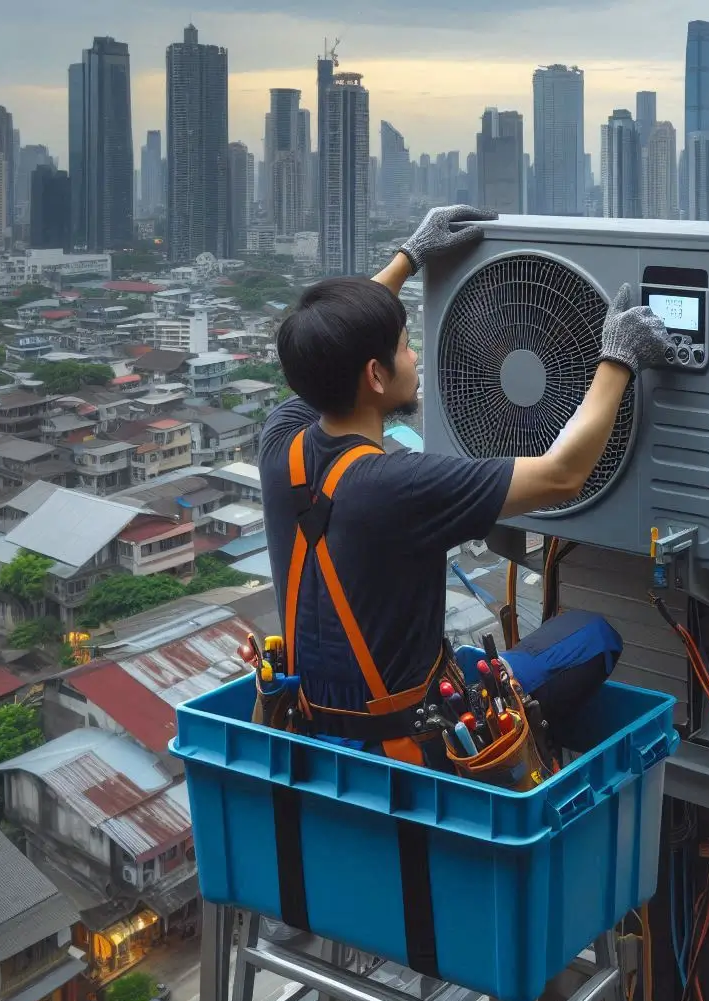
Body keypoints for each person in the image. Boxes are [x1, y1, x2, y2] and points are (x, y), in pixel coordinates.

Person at [257, 204, 671, 762]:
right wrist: (618, 358)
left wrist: (409, 257)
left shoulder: (280, 444)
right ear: (376, 376)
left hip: (306, 725)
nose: (414, 356)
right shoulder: (398, 485)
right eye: (405, 346)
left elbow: (329, 348)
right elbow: (562, 475)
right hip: (410, 741)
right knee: (591, 637)